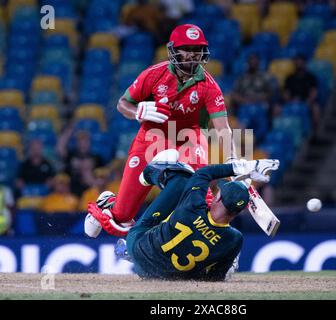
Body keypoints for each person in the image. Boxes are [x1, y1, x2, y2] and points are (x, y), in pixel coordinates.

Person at [86, 24, 239, 238]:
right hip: (151, 137)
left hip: (189, 138)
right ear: (174, 50)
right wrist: (137, 111)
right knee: (122, 216)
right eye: (186, 48)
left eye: (197, 49)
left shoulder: (209, 85)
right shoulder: (154, 75)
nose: (192, 55)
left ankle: (217, 249)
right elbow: (122, 104)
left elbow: (223, 128)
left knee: (199, 199)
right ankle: (108, 203)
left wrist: (233, 159)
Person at [94, 150, 279, 281]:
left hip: (139, 248)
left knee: (181, 177)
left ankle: (149, 173)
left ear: (219, 196)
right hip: (160, 277)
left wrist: (247, 166)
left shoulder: (193, 203)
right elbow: (213, 279)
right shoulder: (234, 239)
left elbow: (204, 173)